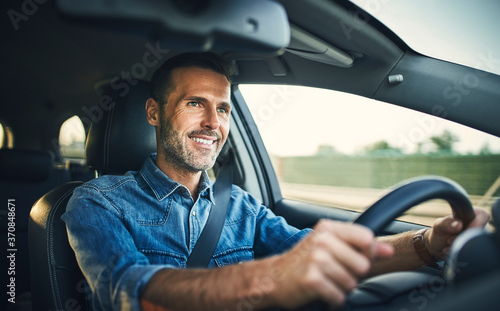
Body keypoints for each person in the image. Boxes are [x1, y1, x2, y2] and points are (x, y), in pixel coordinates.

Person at [62, 52, 490, 311]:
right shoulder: (98, 202)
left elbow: (317, 256)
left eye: (224, 109)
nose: (213, 123)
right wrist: (269, 279)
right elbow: (126, 292)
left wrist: (427, 244)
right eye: (196, 104)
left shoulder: (241, 206)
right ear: (154, 113)